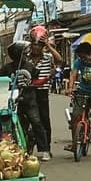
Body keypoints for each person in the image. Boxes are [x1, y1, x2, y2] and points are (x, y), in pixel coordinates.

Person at [1, 43, 50, 161]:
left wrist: (42, 81)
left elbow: (37, 79)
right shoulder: (6, 68)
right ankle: (18, 149)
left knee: (37, 122)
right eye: (23, 54)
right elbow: (1, 82)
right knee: (16, 126)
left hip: (29, 100)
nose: (26, 55)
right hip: (14, 101)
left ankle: (45, 150)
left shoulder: (29, 66)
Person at [28, 30, 62, 159]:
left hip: (42, 92)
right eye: (34, 45)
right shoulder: (25, 58)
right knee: (29, 120)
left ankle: (46, 148)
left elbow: (59, 60)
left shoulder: (47, 57)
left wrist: (48, 45)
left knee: (44, 120)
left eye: (39, 45)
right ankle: (28, 145)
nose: (36, 47)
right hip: (28, 91)